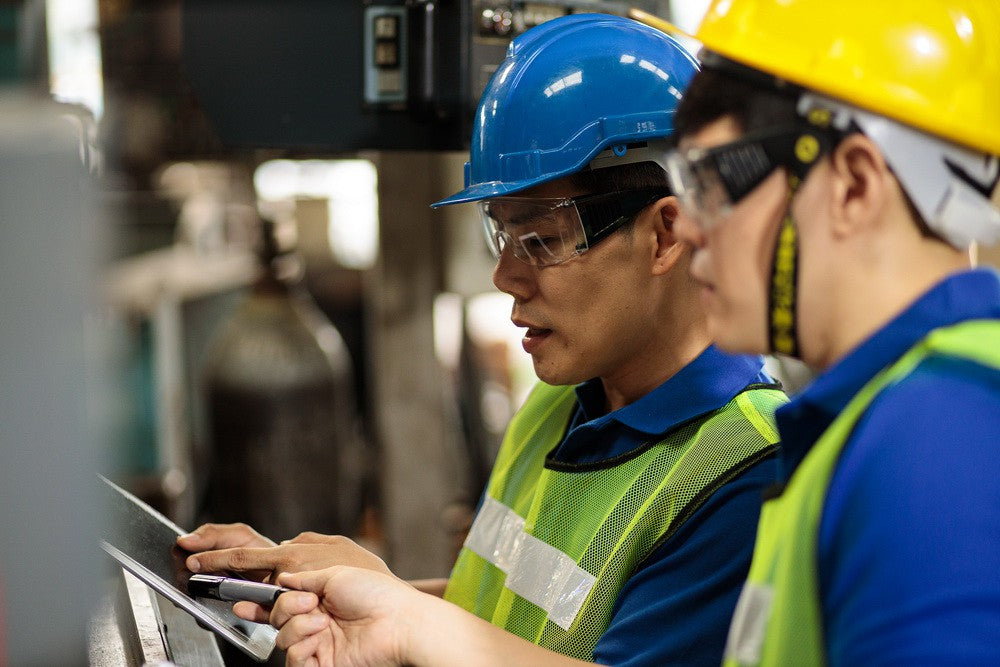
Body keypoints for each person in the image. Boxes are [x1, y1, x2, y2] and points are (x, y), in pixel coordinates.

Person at [181, 14, 788, 665]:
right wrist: (364, 598)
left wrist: (411, 622)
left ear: (665, 233)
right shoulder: (563, 405)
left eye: (540, 238)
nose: (505, 277)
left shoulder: (748, 469)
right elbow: (510, 622)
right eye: (500, 234)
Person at [656, 1, 1000, 664]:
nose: (690, 226)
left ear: (854, 184)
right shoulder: (890, 414)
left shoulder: (935, 439)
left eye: (713, 181)